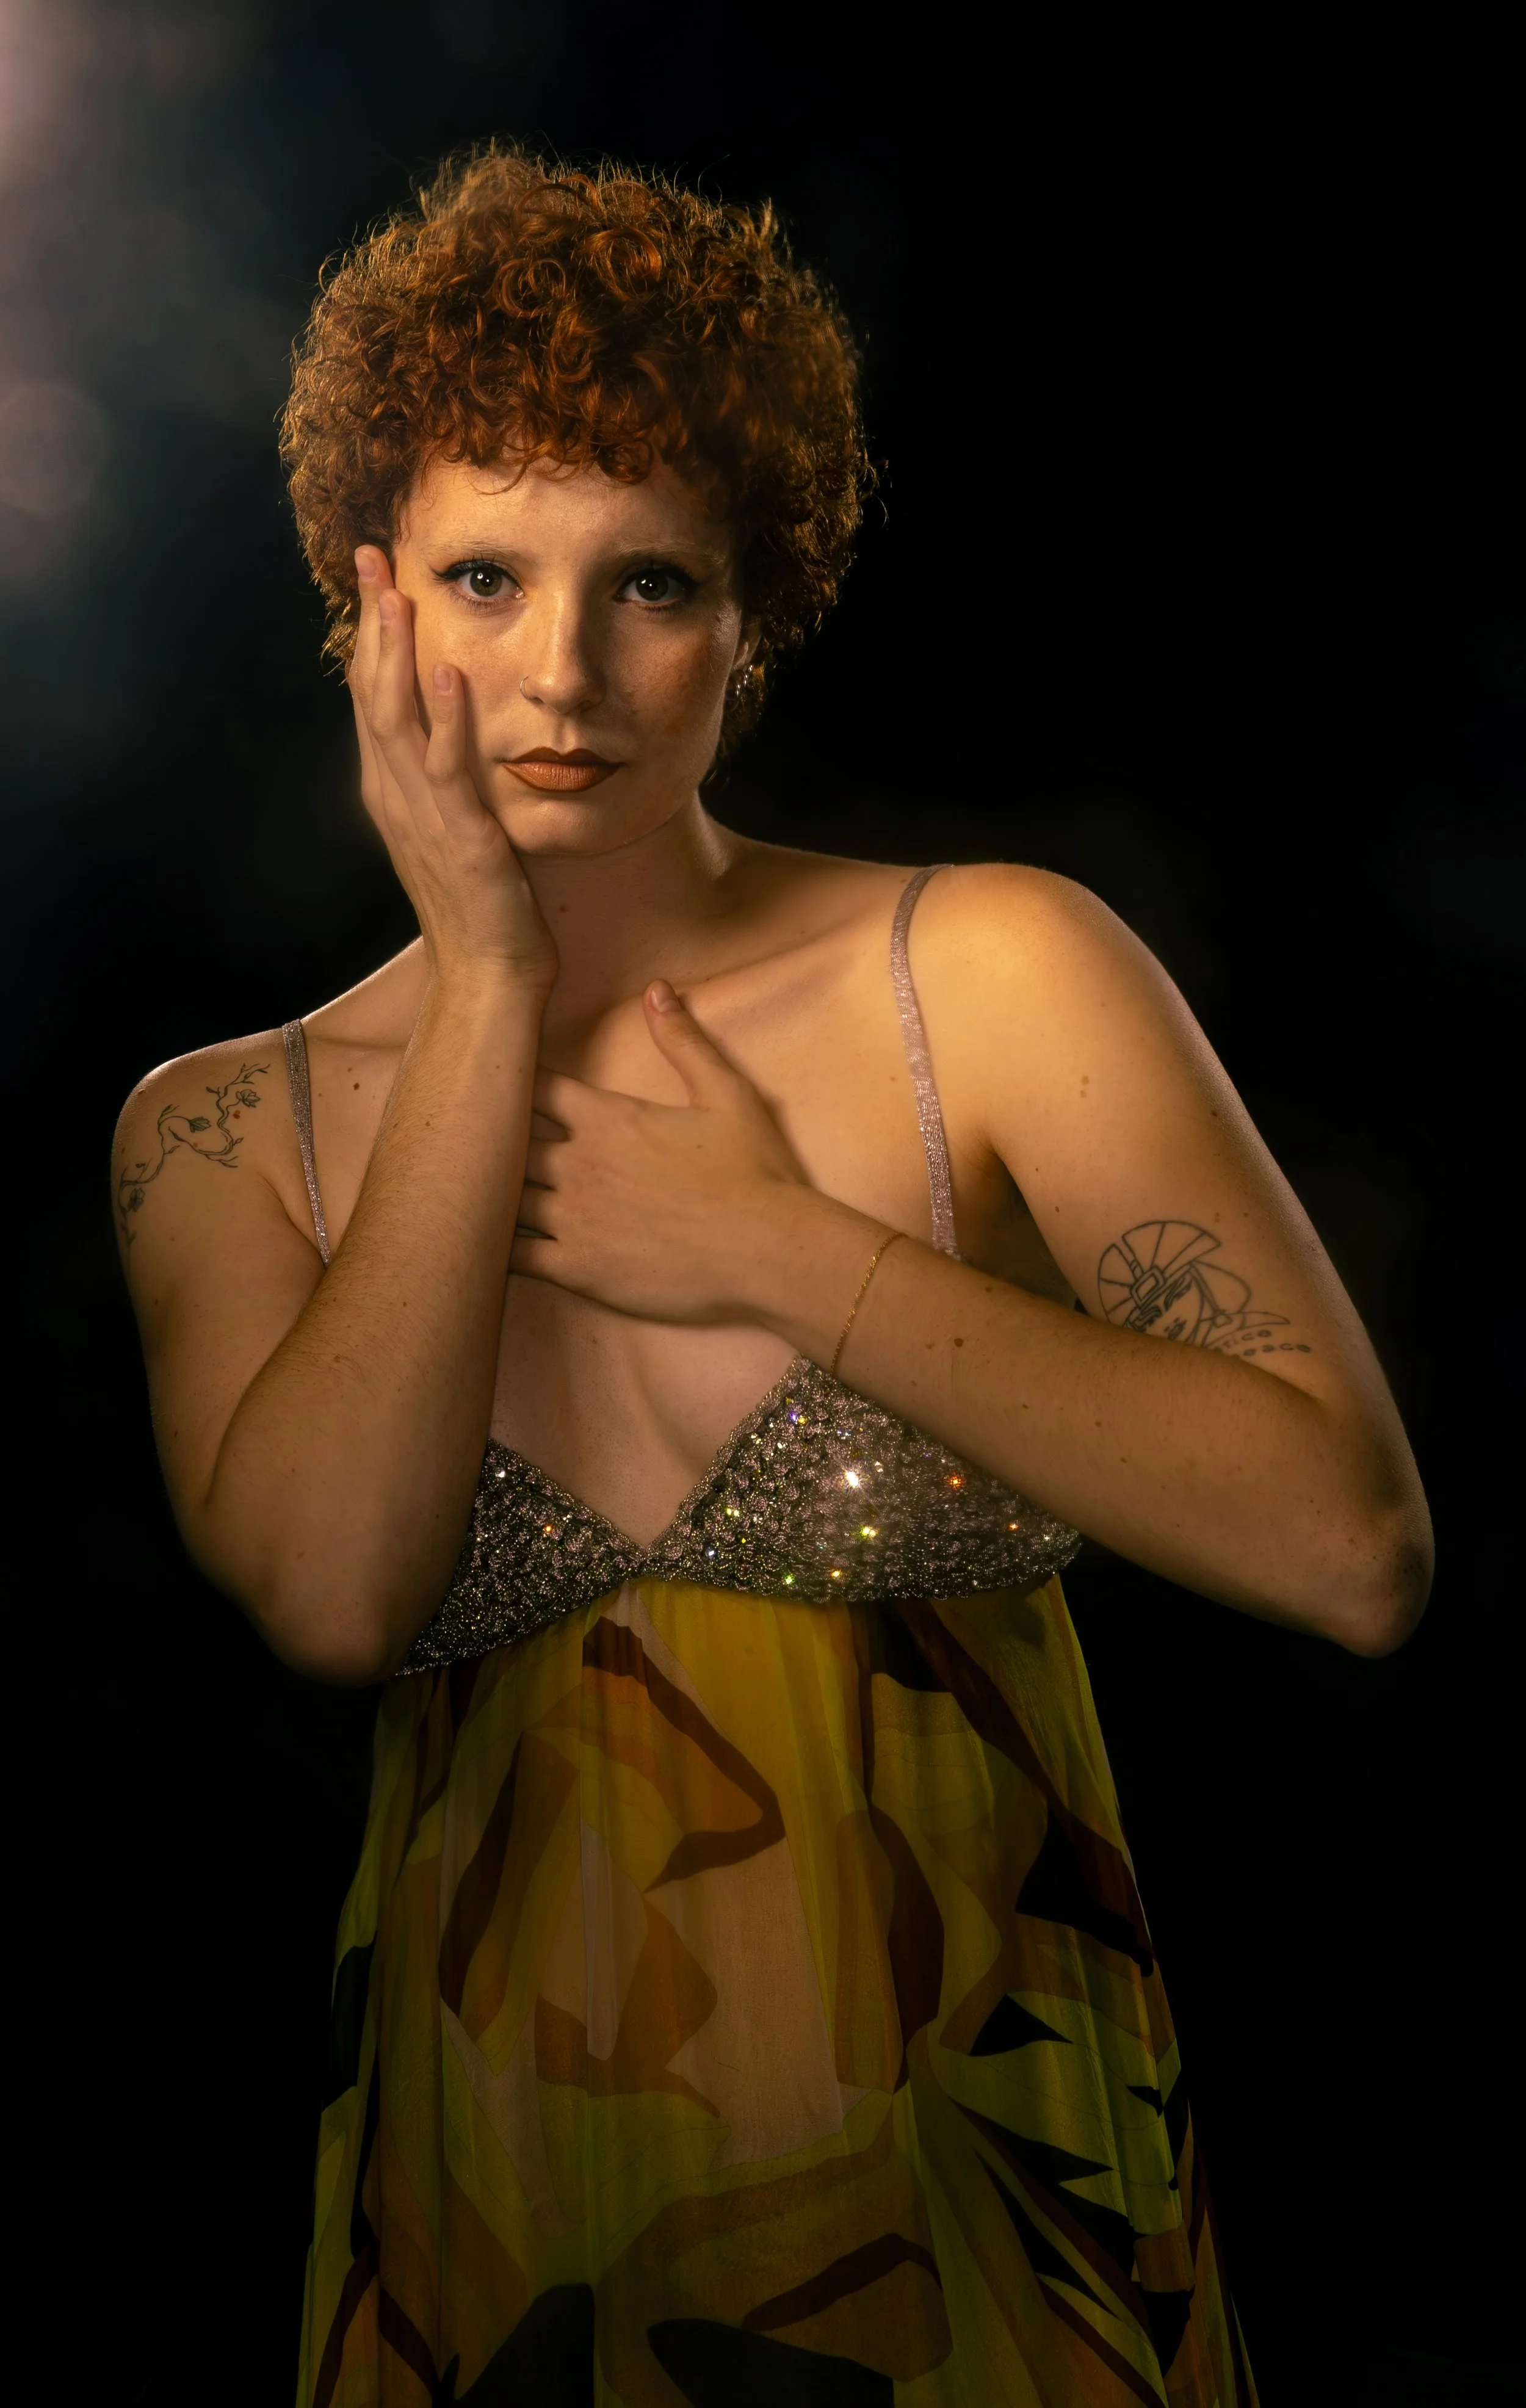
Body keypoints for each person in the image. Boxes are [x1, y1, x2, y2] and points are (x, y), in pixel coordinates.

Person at [114, 147, 1430, 2407]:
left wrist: (776, 1250)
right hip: (491, 2273)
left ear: (756, 615)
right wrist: (491, 981)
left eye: (649, 583)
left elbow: (1349, 1547)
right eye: (481, 576)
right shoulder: (229, 1127)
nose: (558, 671)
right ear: (367, 609)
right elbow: (333, 1594)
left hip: (997, 2260)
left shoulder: (993, 969)